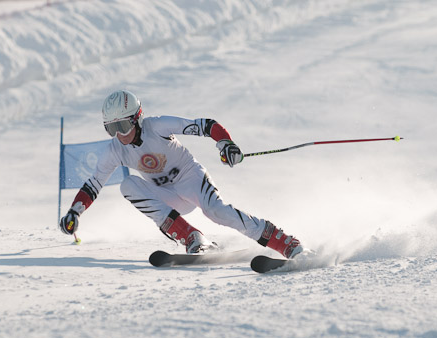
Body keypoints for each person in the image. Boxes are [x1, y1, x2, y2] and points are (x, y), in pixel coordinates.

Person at [59, 90, 303, 259]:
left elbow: (206, 125)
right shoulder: (114, 150)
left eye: (122, 126)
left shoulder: (159, 126)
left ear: (137, 118)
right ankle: (192, 237)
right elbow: (93, 185)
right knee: (128, 185)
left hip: (191, 180)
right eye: (112, 128)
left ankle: (284, 242)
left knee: (215, 211)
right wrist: (74, 212)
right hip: (168, 196)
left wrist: (225, 143)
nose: (119, 135)